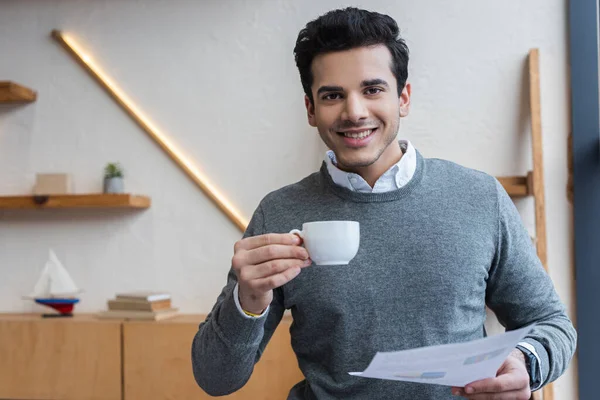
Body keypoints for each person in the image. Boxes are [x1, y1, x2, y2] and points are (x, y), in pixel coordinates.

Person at [191, 7, 576, 400]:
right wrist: (247, 301)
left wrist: (526, 363)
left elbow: (551, 324)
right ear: (311, 109)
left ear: (403, 98)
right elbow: (215, 379)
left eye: (372, 89)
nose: (354, 111)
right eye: (332, 95)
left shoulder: (480, 197)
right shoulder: (280, 212)